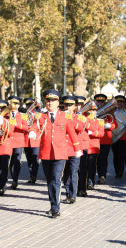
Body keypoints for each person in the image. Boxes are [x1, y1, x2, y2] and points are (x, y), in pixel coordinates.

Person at [28, 89, 82, 218]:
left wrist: (77, 149)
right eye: (48, 100)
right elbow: (35, 126)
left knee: (56, 179)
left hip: (60, 153)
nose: (50, 103)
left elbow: (72, 133)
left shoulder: (65, 116)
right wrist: (32, 132)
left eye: (53, 101)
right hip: (46, 152)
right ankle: (53, 204)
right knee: (50, 180)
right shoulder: (41, 116)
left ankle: (55, 207)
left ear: (58, 103)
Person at [61, 95, 85, 204]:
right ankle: (67, 193)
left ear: (75, 107)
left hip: (74, 149)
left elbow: (80, 128)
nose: (67, 107)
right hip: (62, 149)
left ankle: (72, 195)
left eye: (70, 105)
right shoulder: (60, 116)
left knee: (73, 172)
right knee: (65, 174)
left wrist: (71, 119)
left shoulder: (79, 117)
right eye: (66, 105)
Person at [95, 94, 117, 184]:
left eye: (102, 102)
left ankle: (102, 175)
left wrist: (109, 126)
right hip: (94, 139)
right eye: (98, 102)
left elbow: (115, 124)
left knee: (103, 158)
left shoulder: (109, 113)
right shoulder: (92, 112)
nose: (100, 103)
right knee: (94, 159)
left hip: (105, 139)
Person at [7, 95, 28, 190]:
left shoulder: (22, 115)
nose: (13, 105)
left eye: (16, 103)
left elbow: (26, 127)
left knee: (17, 160)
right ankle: (12, 178)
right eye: (12, 103)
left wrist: (16, 124)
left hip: (18, 141)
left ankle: (15, 179)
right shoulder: (5, 114)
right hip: (7, 141)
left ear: (19, 105)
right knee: (9, 161)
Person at [23, 97, 41, 184]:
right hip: (26, 140)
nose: (29, 106)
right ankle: (31, 175)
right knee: (29, 159)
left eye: (31, 105)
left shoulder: (37, 114)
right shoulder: (24, 115)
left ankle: (34, 175)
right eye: (27, 105)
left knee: (35, 159)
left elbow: (39, 125)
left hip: (35, 139)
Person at [111, 95, 126, 178]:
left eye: (122, 102)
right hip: (114, 136)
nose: (120, 104)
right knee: (115, 155)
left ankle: (120, 171)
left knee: (121, 154)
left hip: (123, 137)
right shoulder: (112, 111)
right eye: (118, 102)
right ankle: (116, 170)